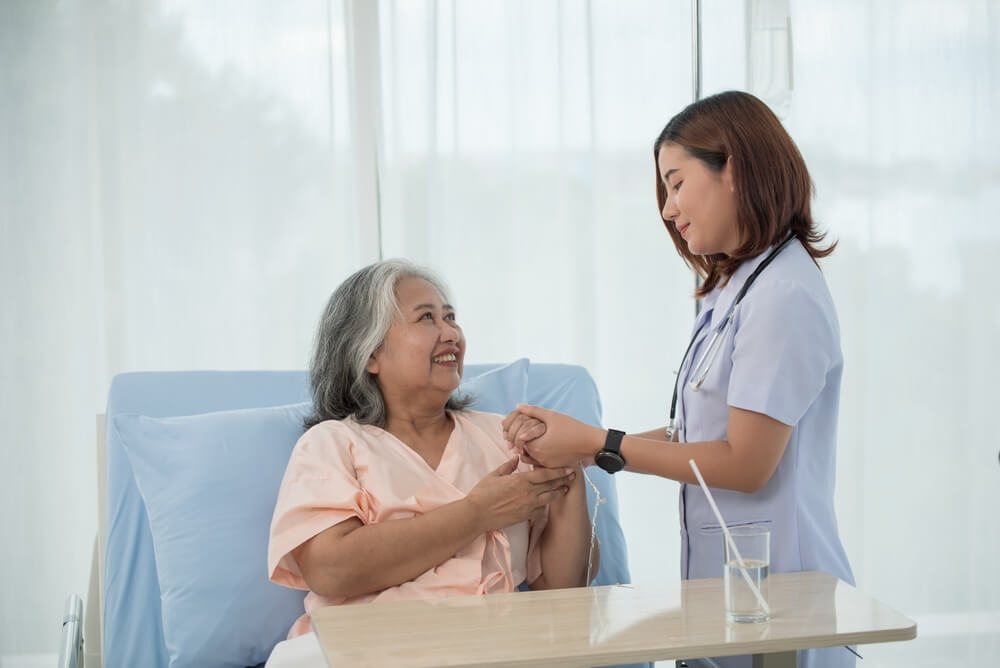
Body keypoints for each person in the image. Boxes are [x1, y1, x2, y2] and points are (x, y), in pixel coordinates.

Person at [503, 91, 855, 668]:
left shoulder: (784, 295)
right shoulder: (735, 289)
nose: (667, 209)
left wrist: (599, 443)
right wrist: (586, 449)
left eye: (676, 181)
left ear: (733, 169)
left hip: (784, 610)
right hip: (729, 606)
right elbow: (703, 432)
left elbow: (745, 462)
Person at [264, 259, 595, 667]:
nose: (451, 333)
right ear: (369, 353)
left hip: (490, 652)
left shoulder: (505, 437)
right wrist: (477, 514)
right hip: (354, 654)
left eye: (451, 317)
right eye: (426, 319)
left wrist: (568, 468)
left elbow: (563, 588)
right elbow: (331, 570)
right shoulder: (333, 443)